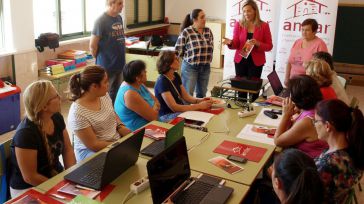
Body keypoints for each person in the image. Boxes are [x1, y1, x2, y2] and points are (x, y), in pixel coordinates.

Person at [9, 81, 76, 198]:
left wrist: (72, 176)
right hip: (28, 187)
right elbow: (30, 177)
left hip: (54, 178)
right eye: (56, 95)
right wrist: (59, 187)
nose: (59, 97)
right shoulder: (26, 134)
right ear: (44, 106)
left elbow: (68, 150)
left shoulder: (56, 117)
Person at [68, 65, 131, 162]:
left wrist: (120, 126)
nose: (108, 84)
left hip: (113, 142)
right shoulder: (78, 113)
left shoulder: (103, 95)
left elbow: (112, 112)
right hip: (91, 152)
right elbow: (94, 145)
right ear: (94, 86)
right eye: (105, 82)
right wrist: (119, 145)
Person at [314, 99, 364, 203]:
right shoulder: (356, 149)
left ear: (327, 126)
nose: (314, 124)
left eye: (316, 121)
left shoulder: (326, 166)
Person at [223, 0, 272, 101]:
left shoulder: (264, 26)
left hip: (256, 62)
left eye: (249, 11)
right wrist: (230, 43)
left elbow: (269, 46)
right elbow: (236, 43)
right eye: (244, 11)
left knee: (254, 89)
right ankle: (241, 108)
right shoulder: (239, 24)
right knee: (241, 89)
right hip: (240, 61)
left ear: (255, 11)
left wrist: (258, 43)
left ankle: (253, 110)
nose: (246, 14)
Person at [274, 75, 328, 159]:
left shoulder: (308, 121)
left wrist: (286, 115)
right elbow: (290, 129)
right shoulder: (316, 108)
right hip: (306, 159)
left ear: (297, 98)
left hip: (309, 166)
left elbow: (278, 141)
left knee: (272, 167)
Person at [154, 51, 213, 122]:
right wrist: (199, 106)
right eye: (176, 59)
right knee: (200, 115)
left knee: (204, 111)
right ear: (169, 64)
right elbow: (174, 108)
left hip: (177, 112)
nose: (178, 60)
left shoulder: (175, 75)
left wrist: (200, 100)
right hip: (167, 116)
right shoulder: (162, 81)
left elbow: (187, 97)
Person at [89, 0, 125, 104]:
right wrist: (101, 60)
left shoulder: (119, 18)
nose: (122, 6)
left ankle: (114, 116)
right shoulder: (100, 21)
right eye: (119, 3)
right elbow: (92, 45)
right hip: (106, 66)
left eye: (122, 3)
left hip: (120, 63)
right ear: (110, 3)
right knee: (105, 95)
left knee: (118, 93)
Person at [175, 9, 214, 98]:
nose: (205, 19)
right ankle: (186, 111)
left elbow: (211, 49)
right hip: (190, 67)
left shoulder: (208, 31)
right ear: (195, 19)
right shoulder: (187, 32)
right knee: (188, 94)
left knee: (202, 94)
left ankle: (200, 111)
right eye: (202, 17)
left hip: (205, 67)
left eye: (205, 17)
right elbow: (177, 50)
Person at [114, 60, 160, 131]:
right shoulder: (130, 94)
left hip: (150, 122)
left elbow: (157, 101)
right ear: (137, 78)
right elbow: (154, 117)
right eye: (144, 71)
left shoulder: (138, 84)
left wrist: (153, 108)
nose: (146, 72)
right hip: (137, 131)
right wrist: (153, 107)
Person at [285, 18, 328, 86]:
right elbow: (289, 62)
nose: (304, 32)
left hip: (308, 84)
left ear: (314, 31)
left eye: (307, 30)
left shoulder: (320, 45)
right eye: (302, 29)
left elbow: (321, 69)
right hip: (293, 82)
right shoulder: (297, 42)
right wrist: (286, 78)